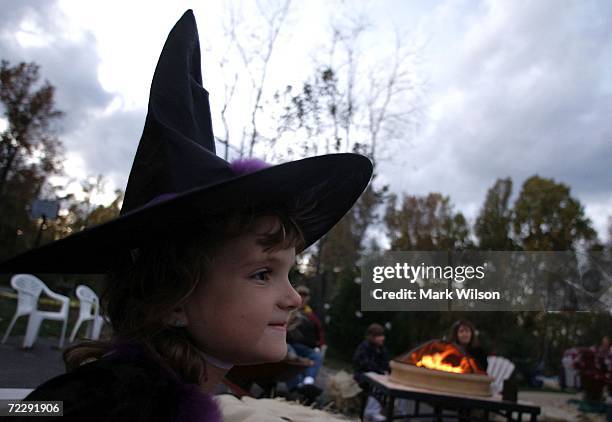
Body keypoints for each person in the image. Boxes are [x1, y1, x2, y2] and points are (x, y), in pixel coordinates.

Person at [0, 10, 373, 422]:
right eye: (262, 273)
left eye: (288, 273)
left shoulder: (179, 392)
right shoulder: (101, 399)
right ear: (173, 298)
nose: (291, 299)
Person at [353, 323, 390, 422]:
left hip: (378, 374)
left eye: (382, 335)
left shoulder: (382, 350)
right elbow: (365, 365)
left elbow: (386, 364)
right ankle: (371, 412)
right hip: (363, 375)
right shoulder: (364, 347)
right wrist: (380, 372)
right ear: (372, 337)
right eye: (380, 336)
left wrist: (386, 371)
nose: (383, 338)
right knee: (376, 381)